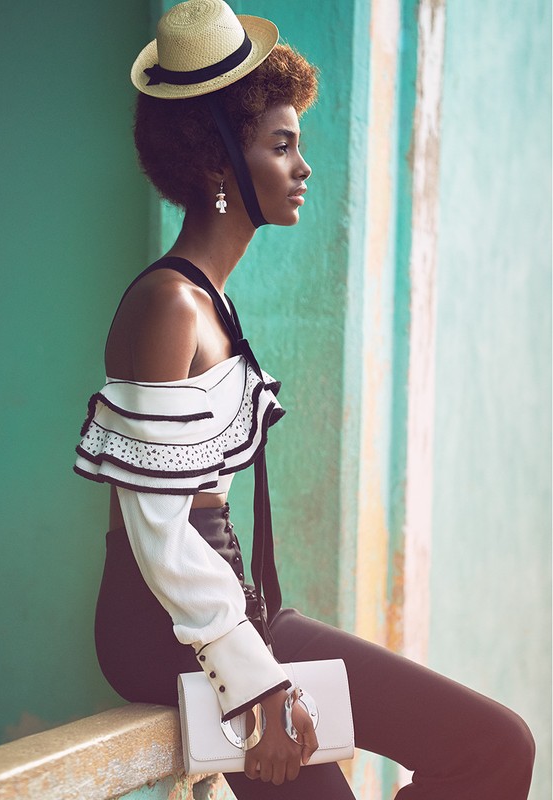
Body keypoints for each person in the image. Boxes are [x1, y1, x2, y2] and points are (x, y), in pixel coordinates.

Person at [74, 1, 535, 796]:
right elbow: (157, 528)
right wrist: (254, 679)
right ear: (217, 164)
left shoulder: (210, 301)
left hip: (232, 608)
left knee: (494, 745)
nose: (303, 167)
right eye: (281, 145)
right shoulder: (167, 305)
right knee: (486, 748)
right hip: (172, 627)